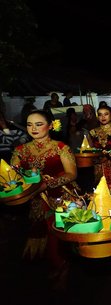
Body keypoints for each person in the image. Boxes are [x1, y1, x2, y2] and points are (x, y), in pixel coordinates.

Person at [11, 109, 80, 299]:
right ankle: (55, 271)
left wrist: (45, 184)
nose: (33, 128)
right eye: (29, 124)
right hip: (34, 202)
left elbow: (71, 174)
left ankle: (63, 272)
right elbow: (13, 177)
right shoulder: (20, 150)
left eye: (38, 124)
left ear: (50, 125)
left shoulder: (60, 147)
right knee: (39, 237)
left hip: (61, 199)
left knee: (57, 237)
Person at [88, 104, 111, 187]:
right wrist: (95, 156)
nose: (103, 117)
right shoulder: (93, 132)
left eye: (106, 114)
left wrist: (106, 157)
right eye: (100, 114)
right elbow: (91, 149)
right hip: (98, 165)